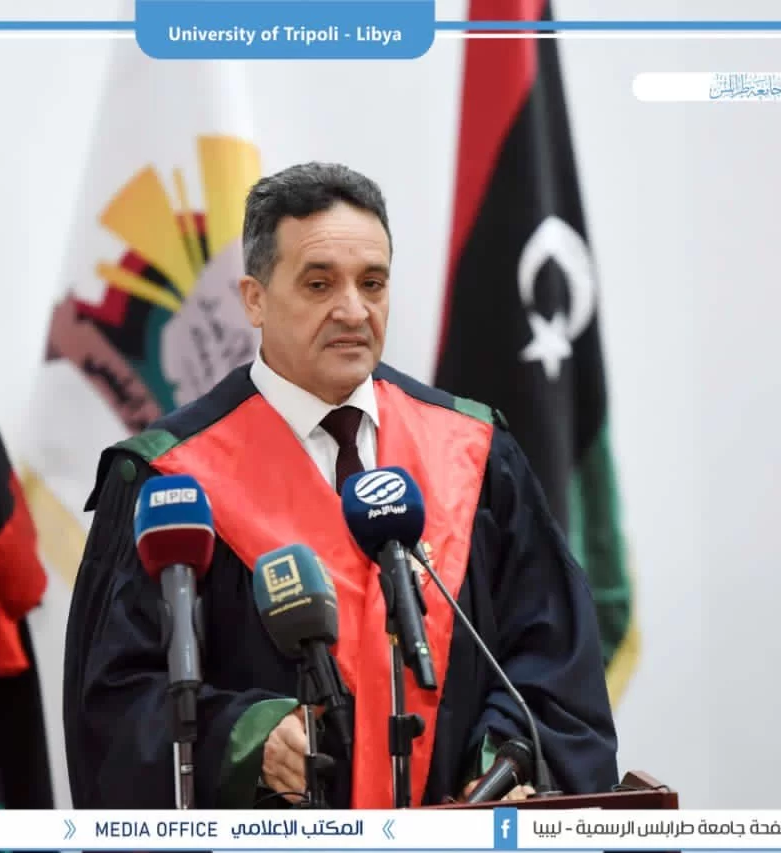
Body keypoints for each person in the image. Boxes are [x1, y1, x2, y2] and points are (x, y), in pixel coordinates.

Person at [63, 162, 619, 809]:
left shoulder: (473, 452)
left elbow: (555, 665)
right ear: (254, 299)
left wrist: (500, 765)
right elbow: (115, 707)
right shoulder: (169, 482)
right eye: (319, 283)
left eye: (372, 283)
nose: (353, 310)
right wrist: (245, 738)